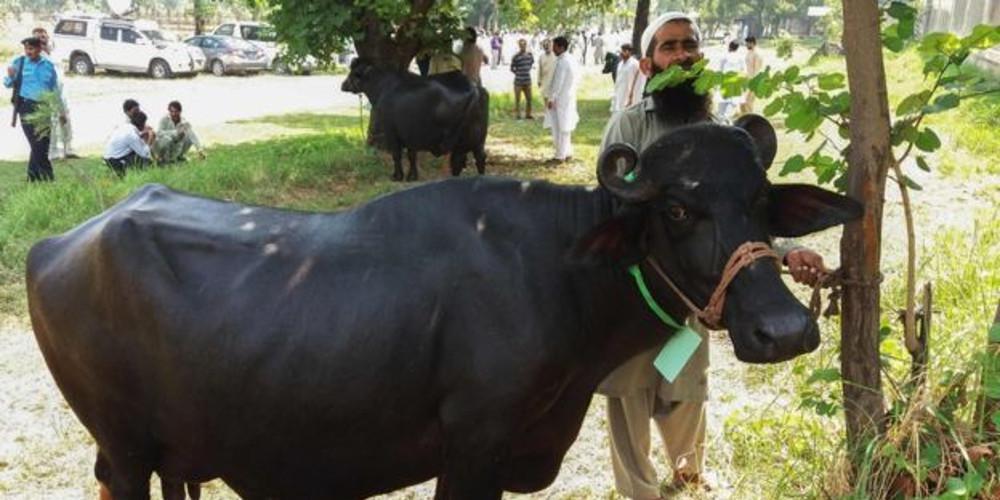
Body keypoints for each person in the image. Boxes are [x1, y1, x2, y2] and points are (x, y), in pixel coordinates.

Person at [597, 13, 829, 499]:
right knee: (629, 393)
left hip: (696, 291)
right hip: (635, 294)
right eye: (669, 47)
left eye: (689, 45)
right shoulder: (629, 125)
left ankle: (687, 474)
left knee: (686, 388)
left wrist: (786, 253)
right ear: (648, 63)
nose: (682, 55)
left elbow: (747, 214)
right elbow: (612, 203)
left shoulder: (724, 135)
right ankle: (637, 490)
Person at [4, 36, 59, 182]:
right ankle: (48, 178)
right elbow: (8, 83)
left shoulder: (48, 65)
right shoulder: (19, 63)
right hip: (26, 106)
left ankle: (32, 178)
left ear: (39, 49)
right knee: (36, 143)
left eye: (32, 49)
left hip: (44, 107)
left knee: (43, 143)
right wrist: (10, 76)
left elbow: (54, 88)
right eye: (26, 49)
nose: (28, 52)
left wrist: (60, 110)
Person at [33, 27, 77, 161]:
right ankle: (52, 152)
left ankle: (68, 148)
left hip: (61, 90)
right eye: (39, 36)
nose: (42, 38)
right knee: (52, 121)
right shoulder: (37, 56)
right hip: (48, 93)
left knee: (67, 119)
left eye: (44, 35)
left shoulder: (54, 53)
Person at [543, 36, 578, 163]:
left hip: (561, 98)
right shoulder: (569, 59)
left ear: (561, 47)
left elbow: (559, 82)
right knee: (564, 126)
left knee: (560, 127)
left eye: (554, 46)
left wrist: (552, 98)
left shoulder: (563, 62)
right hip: (566, 96)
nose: (552, 49)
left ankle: (560, 155)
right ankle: (567, 151)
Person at [104, 110, 152, 177]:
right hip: (115, 160)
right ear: (142, 125)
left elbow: (129, 139)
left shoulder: (125, 127)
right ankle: (141, 175)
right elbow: (145, 154)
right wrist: (150, 138)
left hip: (108, 156)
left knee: (135, 153)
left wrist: (141, 134)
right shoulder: (132, 135)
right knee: (146, 161)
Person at [714, 41, 745, 120]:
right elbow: (743, 71)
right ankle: (726, 117)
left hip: (725, 80)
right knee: (733, 102)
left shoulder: (724, 57)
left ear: (729, 47)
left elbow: (720, 70)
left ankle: (721, 118)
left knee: (722, 102)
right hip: (735, 81)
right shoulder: (740, 58)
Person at [611, 43, 644, 113]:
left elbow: (639, 80)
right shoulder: (620, 64)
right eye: (621, 51)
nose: (622, 53)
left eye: (624, 51)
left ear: (629, 52)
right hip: (620, 91)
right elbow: (618, 79)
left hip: (632, 93)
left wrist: (632, 94)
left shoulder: (635, 64)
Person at [510, 38, 534, 119]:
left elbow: (531, 64)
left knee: (529, 99)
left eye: (524, 44)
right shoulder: (516, 57)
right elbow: (512, 68)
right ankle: (518, 115)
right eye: (521, 45)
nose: (522, 46)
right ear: (519, 46)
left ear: (526, 45)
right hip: (518, 81)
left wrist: (526, 70)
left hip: (527, 80)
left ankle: (528, 114)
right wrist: (517, 73)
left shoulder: (530, 55)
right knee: (518, 99)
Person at [741, 36, 764, 114]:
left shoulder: (757, 54)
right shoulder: (749, 52)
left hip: (754, 81)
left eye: (748, 43)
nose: (746, 45)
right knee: (743, 102)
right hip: (748, 80)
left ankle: (750, 119)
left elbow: (757, 70)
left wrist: (754, 83)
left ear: (752, 43)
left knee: (749, 102)